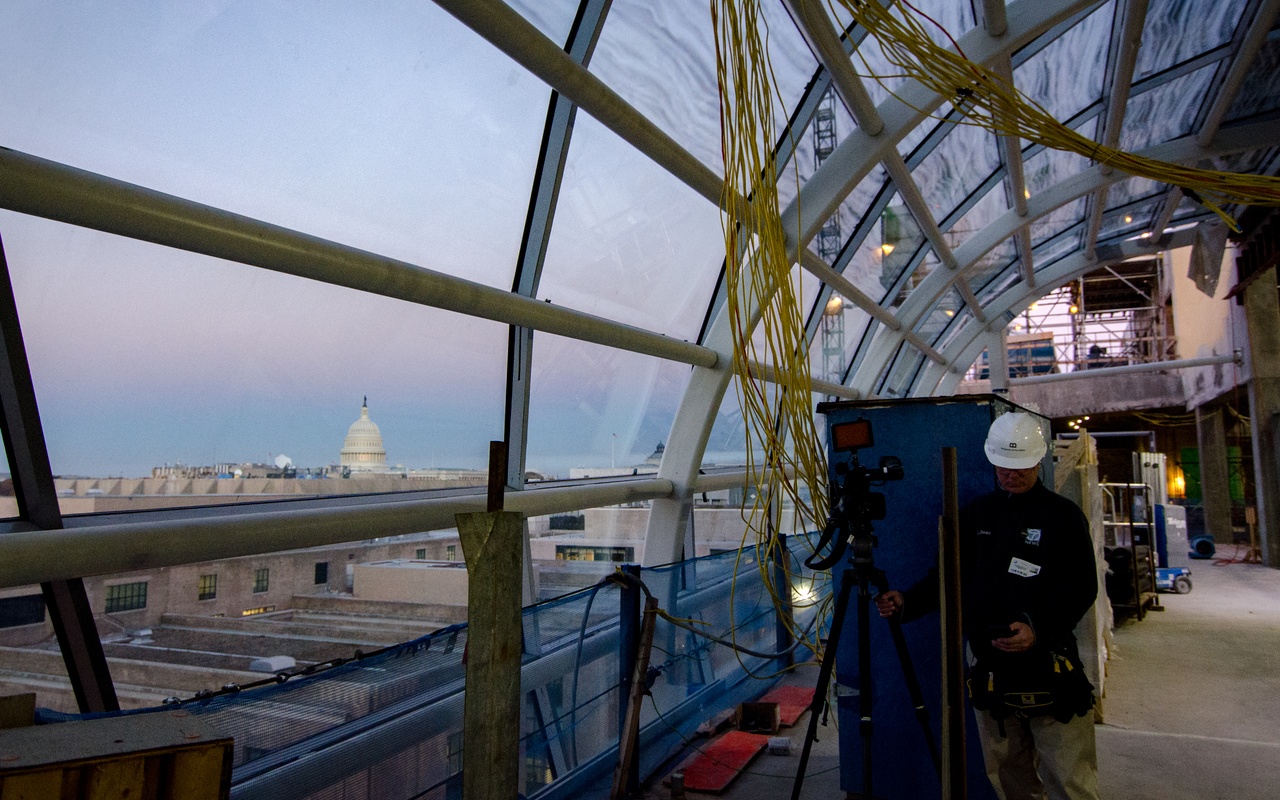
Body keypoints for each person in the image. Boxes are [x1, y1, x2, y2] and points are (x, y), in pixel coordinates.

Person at [875, 412, 1100, 800]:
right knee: (1009, 775)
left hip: (1049, 666)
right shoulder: (978, 515)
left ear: (1038, 461)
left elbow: (1081, 588)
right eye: (1004, 468)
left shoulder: (1063, 518)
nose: (1011, 476)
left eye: (1021, 468)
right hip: (991, 669)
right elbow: (947, 577)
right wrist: (908, 601)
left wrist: (1036, 629)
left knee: (1070, 779)